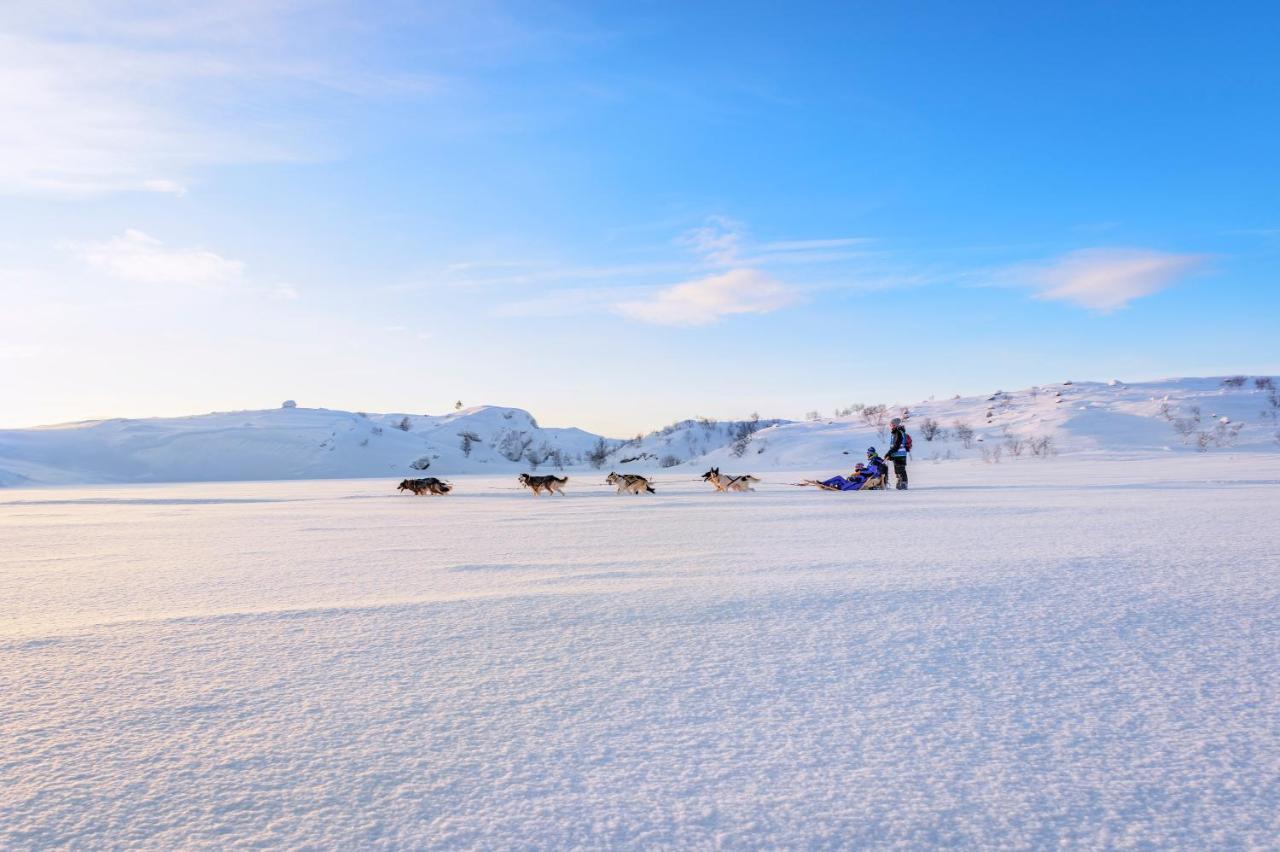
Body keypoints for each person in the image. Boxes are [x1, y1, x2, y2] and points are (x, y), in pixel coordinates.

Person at [885, 418, 909, 490]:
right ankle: (899, 481)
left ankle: (904, 483)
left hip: (900, 455)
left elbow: (897, 445)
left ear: (895, 425)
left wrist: (889, 453)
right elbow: (894, 446)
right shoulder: (895, 433)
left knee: (901, 469)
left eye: (892, 424)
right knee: (897, 469)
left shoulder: (898, 433)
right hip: (896, 454)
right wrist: (891, 455)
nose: (891, 426)